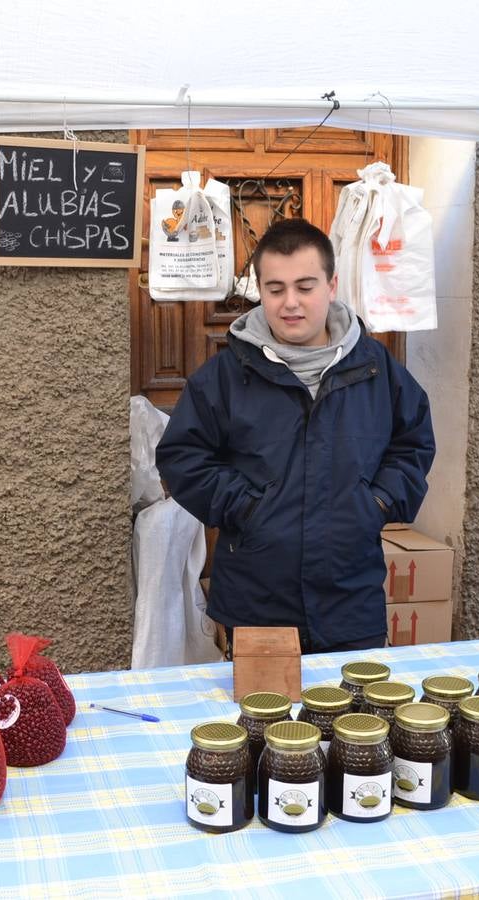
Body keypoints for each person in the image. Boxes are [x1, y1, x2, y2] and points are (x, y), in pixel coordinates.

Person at [155, 218, 434, 653]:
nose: (290, 303)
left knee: (354, 719)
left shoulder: (376, 368)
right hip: (255, 604)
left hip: (351, 602)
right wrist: (246, 507)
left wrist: (376, 502)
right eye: (275, 288)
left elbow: (413, 443)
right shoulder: (225, 377)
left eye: (305, 287)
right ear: (259, 290)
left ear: (331, 284)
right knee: (260, 720)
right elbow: (182, 457)